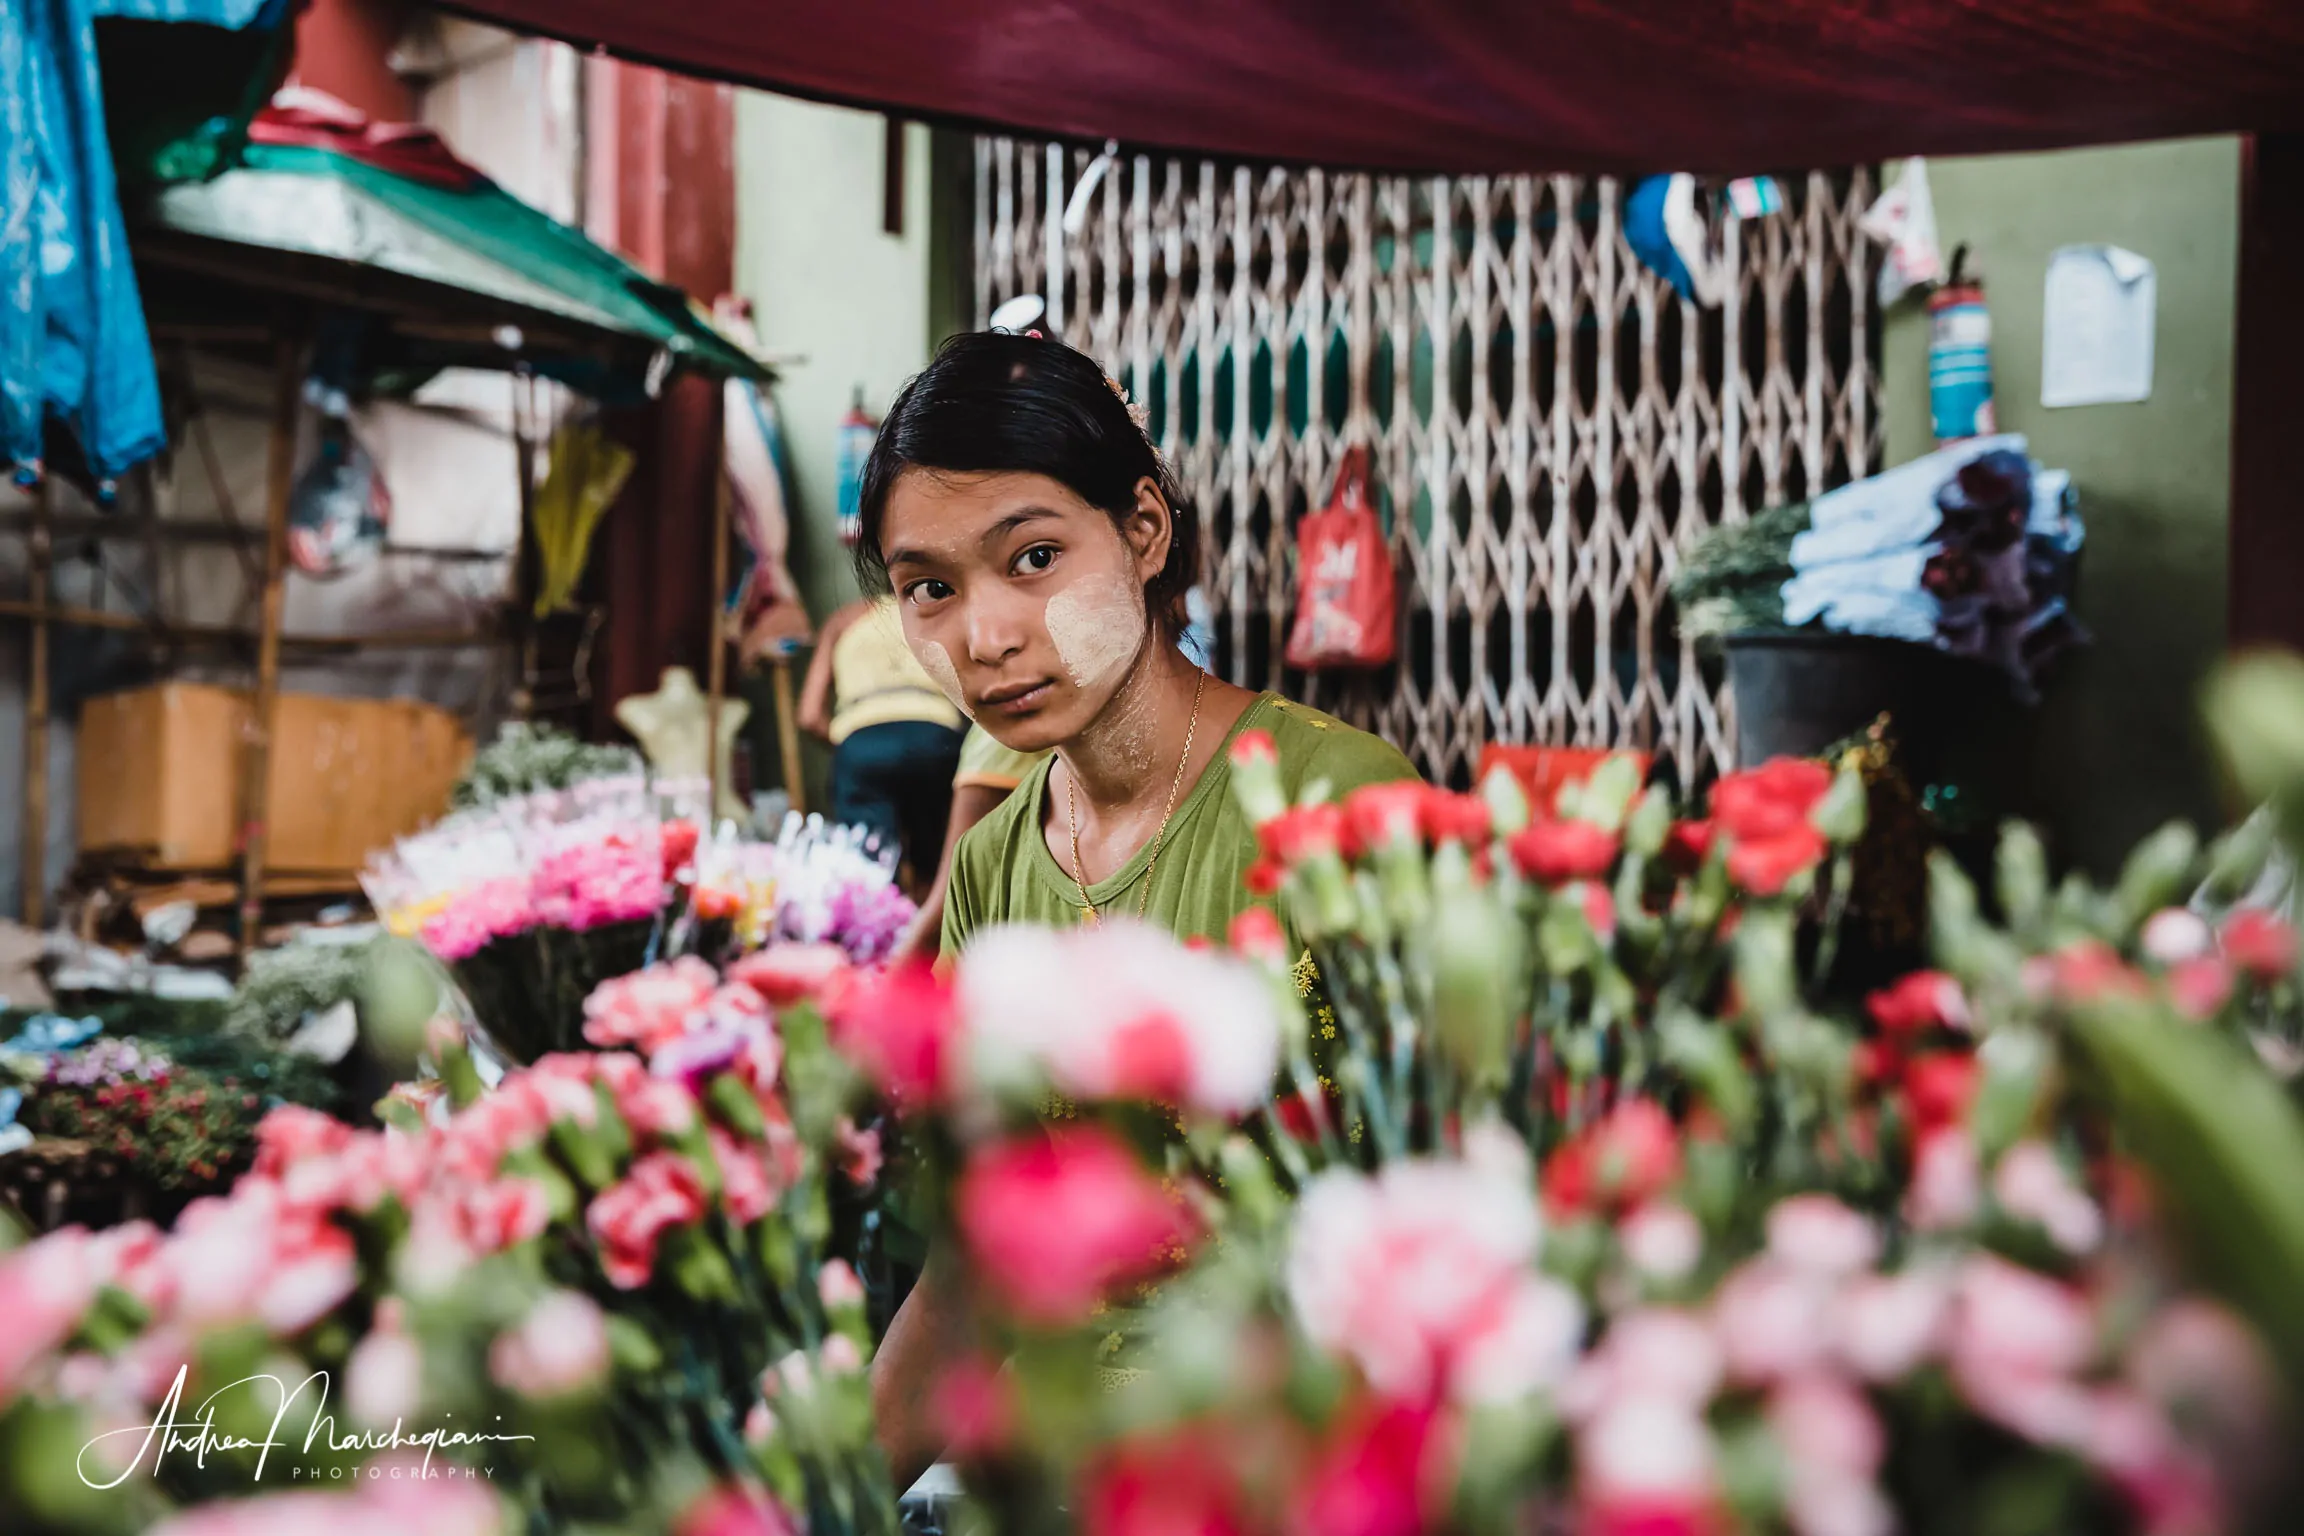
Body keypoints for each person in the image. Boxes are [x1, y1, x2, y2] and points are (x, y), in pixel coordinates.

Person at [850, 330, 1417, 1483]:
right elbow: (974, 1266)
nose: (986, 634)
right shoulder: (993, 869)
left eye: (1035, 557)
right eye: (930, 589)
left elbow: (1430, 1234)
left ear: (1145, 532)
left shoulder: (1334, 804)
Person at [797, 594, 966, 893]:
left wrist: (852, 744)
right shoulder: (933, 610)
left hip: (863, 742)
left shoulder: (842, 621)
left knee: (870, 869)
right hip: (935, 736)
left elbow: (810, 715)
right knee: (939, 864)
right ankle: (935, 932)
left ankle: (883, 930)